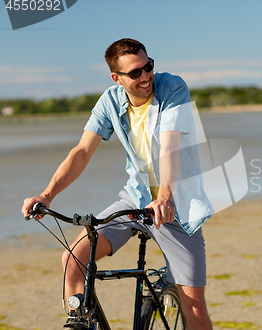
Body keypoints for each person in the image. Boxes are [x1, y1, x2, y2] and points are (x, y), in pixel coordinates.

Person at [21, 38, 214, 330]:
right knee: (73, 260)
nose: (146, 76)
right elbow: (82, 151)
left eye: (148, 66)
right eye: (135, 73)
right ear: (117, 78)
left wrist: (165, 196)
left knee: (195, 306)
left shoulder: (172, 88)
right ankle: (83, 321)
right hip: (134, 200)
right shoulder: (109, 101)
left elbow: (169, 144)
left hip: (175, 207)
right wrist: (47, 196)